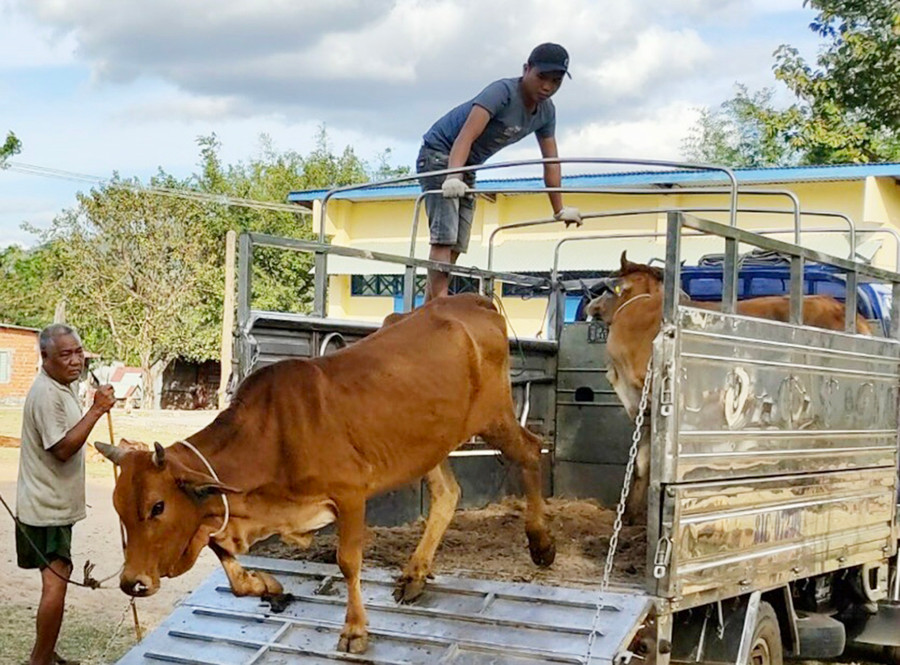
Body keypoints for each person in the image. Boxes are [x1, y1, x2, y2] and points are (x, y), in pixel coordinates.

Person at [417, 42, 582, 301]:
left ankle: (433, 302)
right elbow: (466, 135)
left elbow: (551, 160)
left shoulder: (546, 112)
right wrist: (452, 176)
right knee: (444, 236)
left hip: (467, 166)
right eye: (541, 77)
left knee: (459, 241)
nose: (547, 87)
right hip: (441, 155)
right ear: (526, 69)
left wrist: (559, 209)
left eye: (556, 81)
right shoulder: (502, 92)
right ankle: (437, 307)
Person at [15, 324, 115, 665]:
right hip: (46, 507)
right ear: (45, 357)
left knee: (58, 577)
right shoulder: (46, 394)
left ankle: (45, 654)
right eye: (65, 355)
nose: (75, 361)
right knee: (57, 582)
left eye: (78, 352)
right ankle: (39, 661)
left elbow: (71, 433)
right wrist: (97, 411)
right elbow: (62, 449)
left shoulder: (63, 387)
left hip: (51, 503)